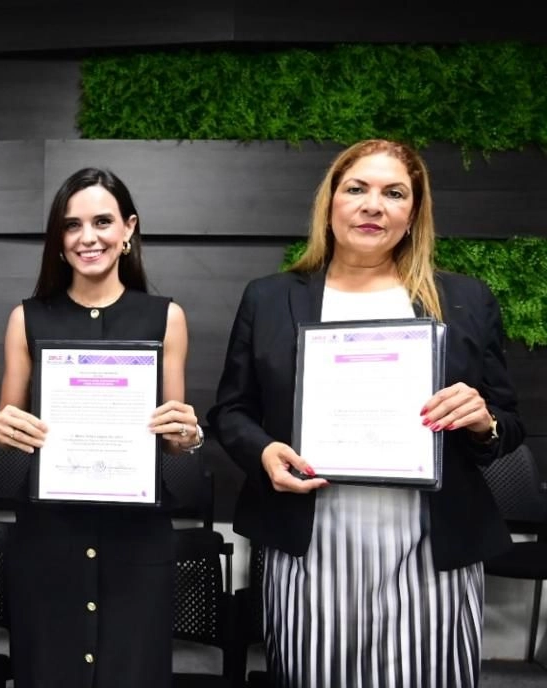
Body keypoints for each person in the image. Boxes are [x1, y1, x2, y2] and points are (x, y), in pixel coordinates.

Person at [209, 139, 524, 688]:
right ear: (330, 203)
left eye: (393, 193)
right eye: (356, 188)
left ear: (413, 214)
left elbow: (506, 420)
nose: (372, 205)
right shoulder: (269, 297)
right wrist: (263, 452)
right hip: (311, 540)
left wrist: (483, 420)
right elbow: (232, 410)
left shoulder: (466, 300)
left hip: (432, 546)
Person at [0, 168, 202, 687]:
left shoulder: (165, 317)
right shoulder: (27, 317)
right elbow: (5, 422)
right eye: (72, 225)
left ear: (128, 229)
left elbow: (175, 439)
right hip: (48, 538)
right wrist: (3, 428)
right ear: (58, 241)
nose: (89, 237)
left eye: (103, 222)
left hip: (136, 542)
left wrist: (187, 436)